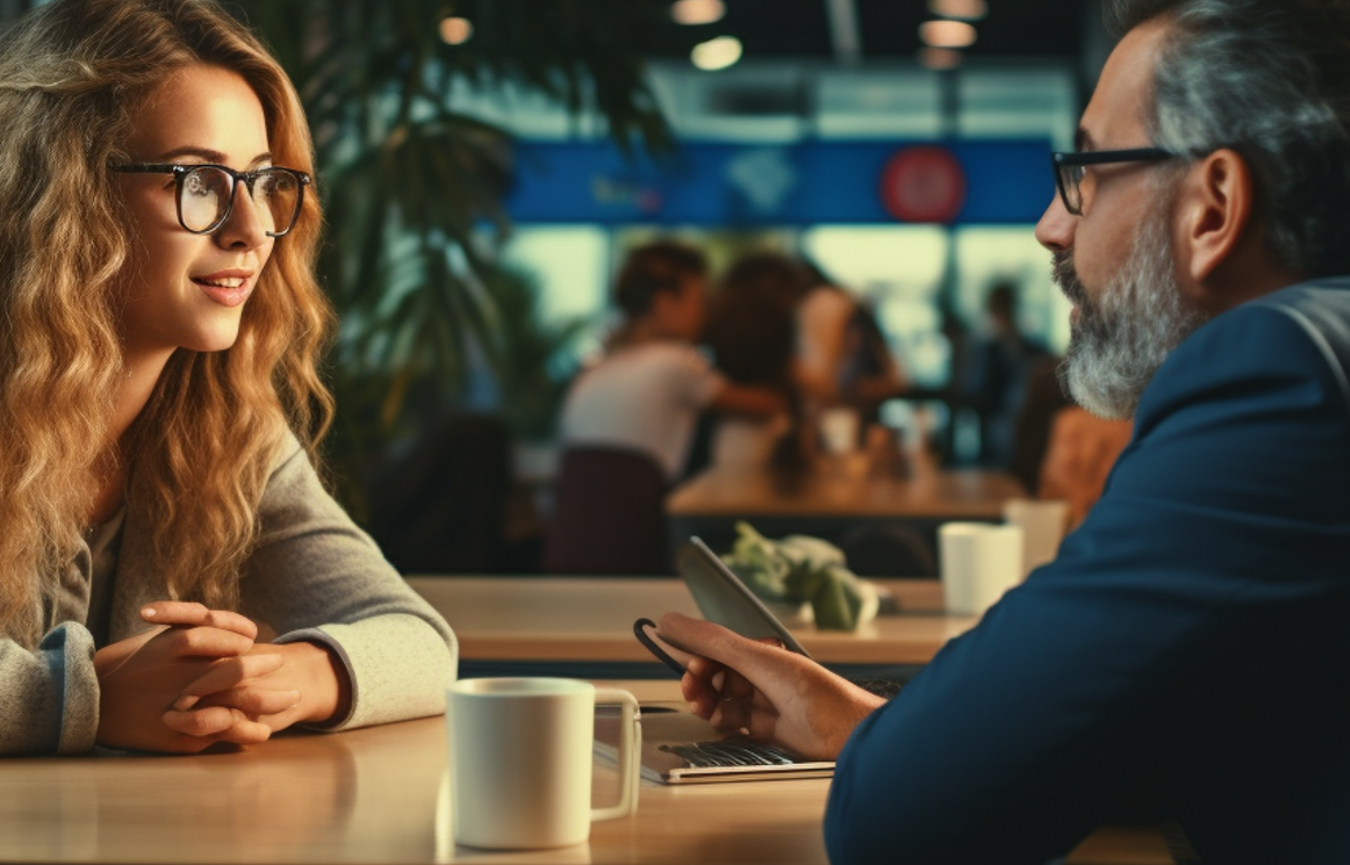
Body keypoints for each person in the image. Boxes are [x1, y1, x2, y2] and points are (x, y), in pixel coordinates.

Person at [657, 1, 1350, 861]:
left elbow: (903, 819)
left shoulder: (1282, 371)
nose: (1051, 225)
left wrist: (898, 750)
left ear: (1213, 206)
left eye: (1087, 170)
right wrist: (853, 719)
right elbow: (1198, 725)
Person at [0, 0, 457, 756]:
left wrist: (273, 677)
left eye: (263, 181)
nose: (249, 229)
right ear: (62, 194)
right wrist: (84, 701)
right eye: (197, 180)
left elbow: (416, 639)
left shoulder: (225, 420)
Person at [555, 240, 785, 483]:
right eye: (699, 300)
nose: (705, 314)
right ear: (664, 301)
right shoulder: (674, 362)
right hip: (639, 518)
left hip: (577, 519)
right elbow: (766, 406)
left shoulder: (593, 370)